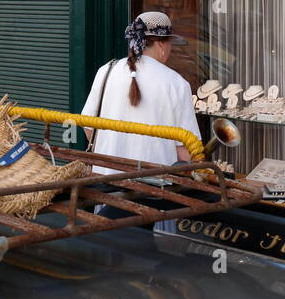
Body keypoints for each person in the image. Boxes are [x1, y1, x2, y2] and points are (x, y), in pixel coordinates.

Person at [80, 11, 200, 176]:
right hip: (155, 187)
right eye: (170, 44)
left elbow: (88, 128)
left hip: (105, 179)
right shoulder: (177, 83)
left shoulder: (105, 71)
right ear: (161, 45)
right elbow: (185, 150)